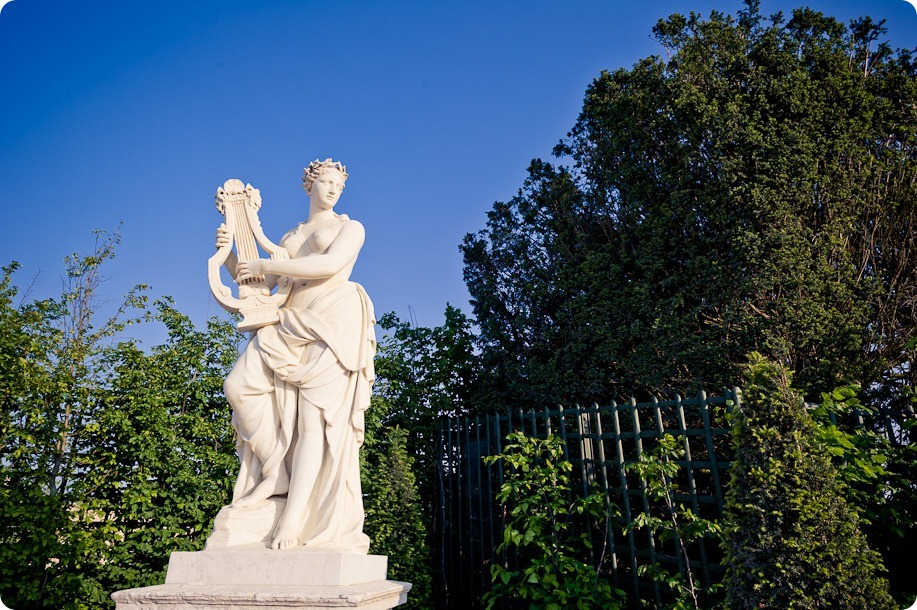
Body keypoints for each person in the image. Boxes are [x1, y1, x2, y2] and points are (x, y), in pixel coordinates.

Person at [216, 159, 375, 552]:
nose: (333, 190)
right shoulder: (290, 236)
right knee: (238, 387)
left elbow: (329, 264)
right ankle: (276, 475)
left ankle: (293, 518)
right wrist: (230, 251)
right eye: (326, 182)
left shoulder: (349, 227)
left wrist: (267, 261)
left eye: (339, 184)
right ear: (310, 185)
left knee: (312, 424)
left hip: (333, 319)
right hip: (286, 322)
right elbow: (257, 282)